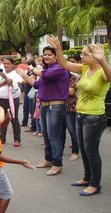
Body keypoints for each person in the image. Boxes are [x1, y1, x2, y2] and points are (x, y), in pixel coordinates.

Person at [47, 36, 111, 195]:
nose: (82, 56)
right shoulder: (84, 69)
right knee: (84, 150)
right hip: (81, 114)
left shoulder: (101, 72)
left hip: (95, 117)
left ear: (95, 56)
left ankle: (95, 184)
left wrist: (103, 61)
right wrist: (58, 48)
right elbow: (64, 64)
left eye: (85, 54)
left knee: (91, 150)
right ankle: (86, 177)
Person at [16, 46, 69, 176]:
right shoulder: (47, 70)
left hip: (56, 106)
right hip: (45, 106)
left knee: (54, 135)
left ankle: (57, 164)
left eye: (49, 54)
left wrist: (31, 68)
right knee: (46, 134)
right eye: (45, 54)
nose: (46, 56)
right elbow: (36, 84)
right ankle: (49, 159)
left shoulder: (59, 68)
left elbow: (43, 74)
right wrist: (23, 75)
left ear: (57, 56)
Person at [0, 57, 23, 147]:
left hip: (13, 99)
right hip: (1, 98)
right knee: (2, 118)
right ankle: (2, 138)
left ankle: (17, 139)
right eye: (4, 64)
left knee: (14, 118)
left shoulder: (16, 74)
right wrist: (4, 81)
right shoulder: (0, 74)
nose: (6, 65)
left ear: (12, 65)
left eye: (8, 63)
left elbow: (16, 85)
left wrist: (6, 78)